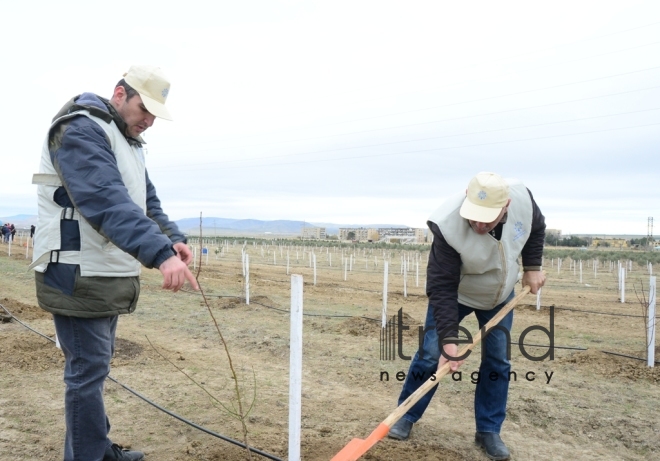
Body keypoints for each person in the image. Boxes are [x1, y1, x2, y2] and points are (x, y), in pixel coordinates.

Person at [30, 65, 199, 461]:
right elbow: (104, 198)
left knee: (94, 370)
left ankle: (96, 449)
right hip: (76, 271)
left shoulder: (128, 143)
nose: (150, 121)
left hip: (105, 273)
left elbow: (144, 201)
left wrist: (172, 237)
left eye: (156, 114)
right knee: (86, 374)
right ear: (119, 95)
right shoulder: (81, 130)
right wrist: (158, 253)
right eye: (145, 109)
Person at [387, 172, 546, 461]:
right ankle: (406, 415)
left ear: (506, 205)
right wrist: (449, 344)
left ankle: (488, 430)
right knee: (430, 353)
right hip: (457, 294)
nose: (479, 224)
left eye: (489, 219)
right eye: (474, 216)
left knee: (498, 359)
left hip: (500, 295)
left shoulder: (523, 199)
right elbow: (442, 287)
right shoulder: (447, 225)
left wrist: (533, 266)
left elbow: (537, 228)